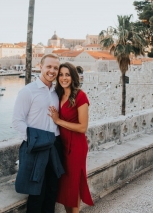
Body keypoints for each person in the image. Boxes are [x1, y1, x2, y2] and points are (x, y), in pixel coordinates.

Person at [12, 54, 64, 213]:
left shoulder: (57, 93)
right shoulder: (28, 91)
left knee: (52, 190)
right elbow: (17, 121)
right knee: (36, 192)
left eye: (56, 68)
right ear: (40, 66)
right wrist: (34, 140)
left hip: (55, 145)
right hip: (36, 145)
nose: (52, 70)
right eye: (49, 66)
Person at [48, 62, 94, 213]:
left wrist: (58, 120)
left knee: (73, 186)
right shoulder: (58, 94)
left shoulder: (80, 96)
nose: (63, 78)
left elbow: (83, 127)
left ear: (73, 76)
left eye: (67, 74)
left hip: (76, 147)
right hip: (62, 146)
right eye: (61, 74)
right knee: (66, 186)